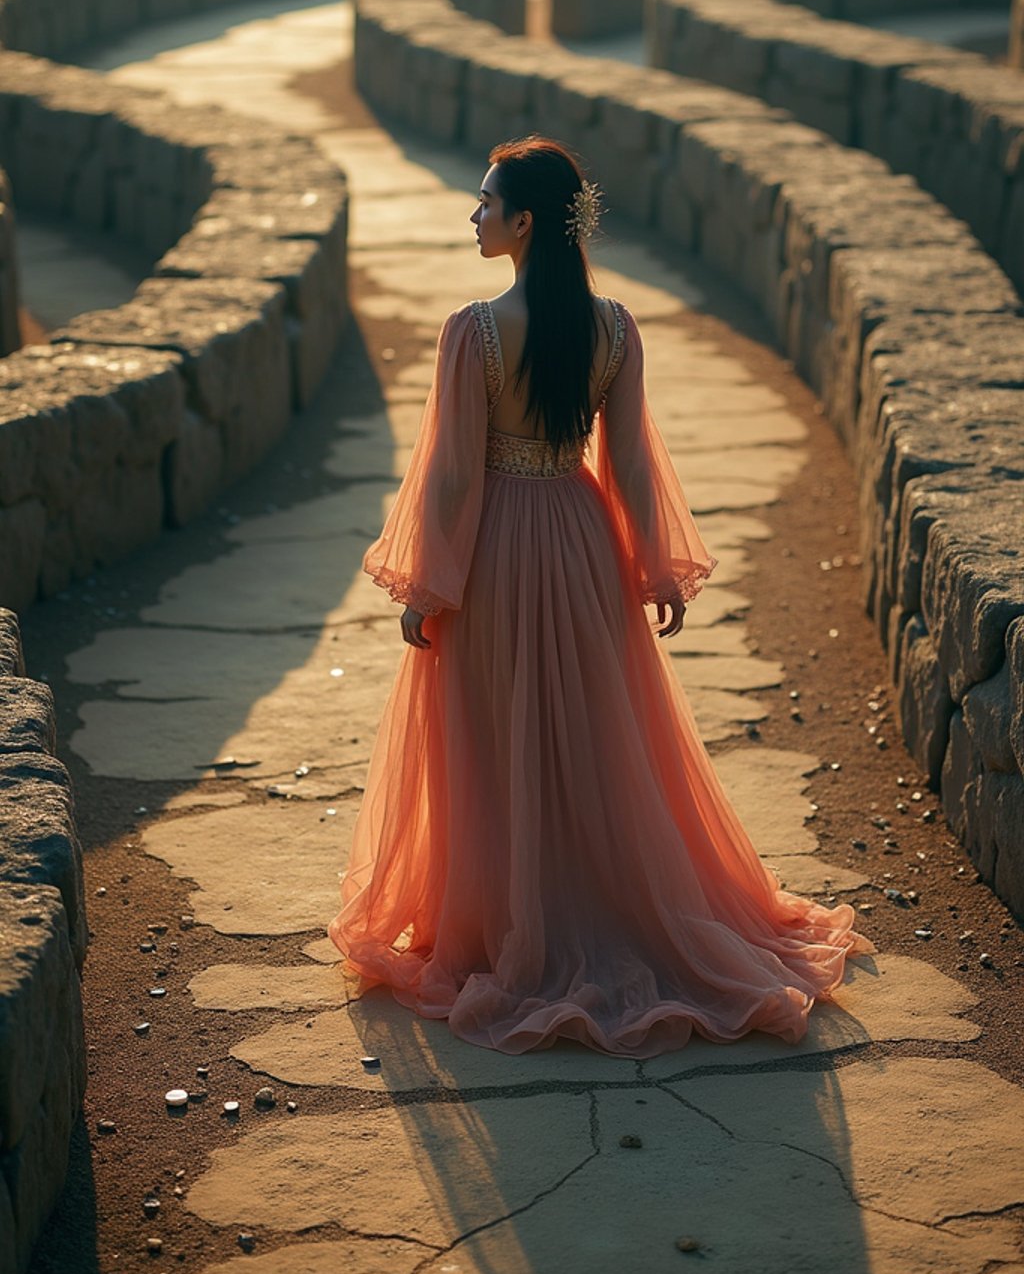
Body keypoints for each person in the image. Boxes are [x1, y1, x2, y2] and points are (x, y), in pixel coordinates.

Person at [327, 134, 875, 1058]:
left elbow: (455, 480)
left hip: (499, 547)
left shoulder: (474, 331)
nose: (474, 215)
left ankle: (518, 925)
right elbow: (626, 465)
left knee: (495, 732)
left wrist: (427, 586)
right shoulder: (615, 327)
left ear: (525, 221)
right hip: (580, 543)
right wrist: (652, 565)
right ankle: (599, 901)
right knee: (594, 732)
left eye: (485, 201)